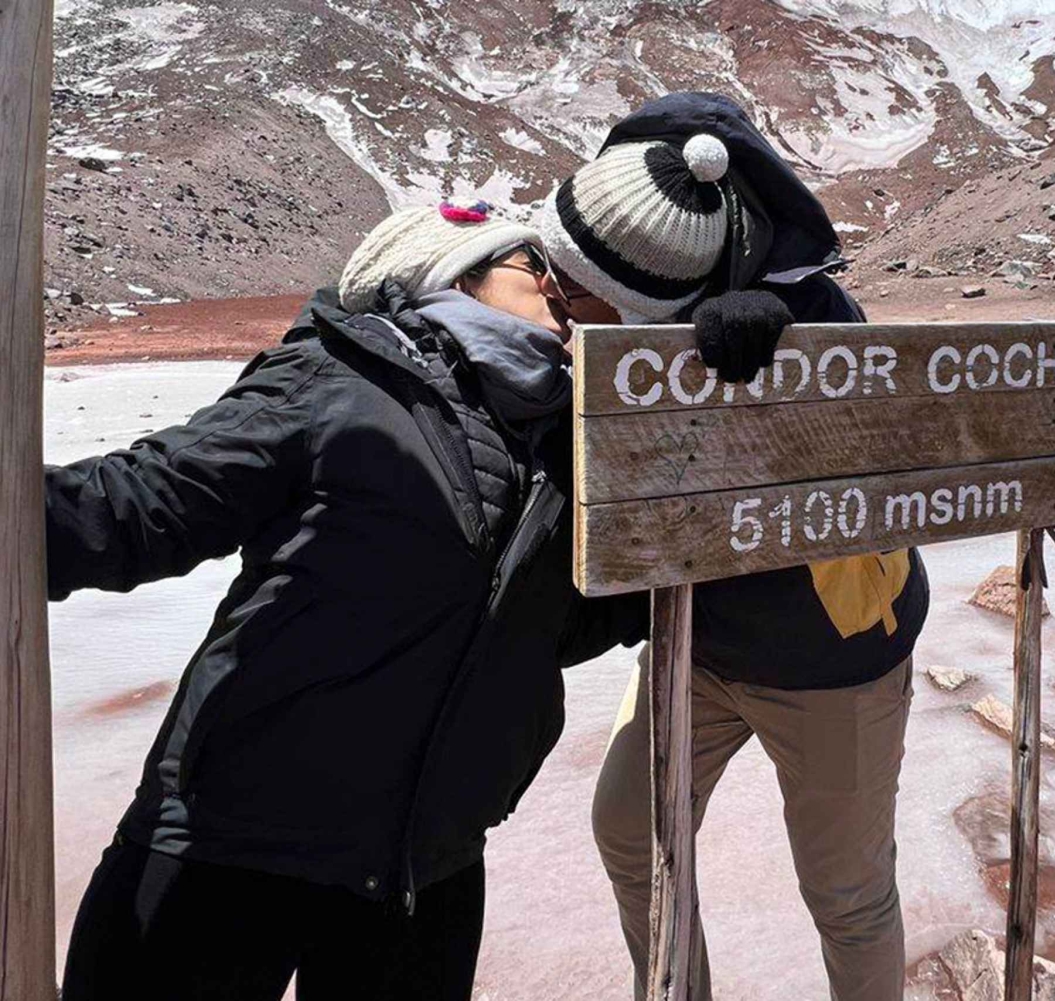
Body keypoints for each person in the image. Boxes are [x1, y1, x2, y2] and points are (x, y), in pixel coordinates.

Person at [50, 201, 647, 1000]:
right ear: (450, 273)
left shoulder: (556, 437)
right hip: (232, 846)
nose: (552, 281)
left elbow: (549, 627)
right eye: (526, 261)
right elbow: (145, 503)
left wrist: (669, 570)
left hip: (421, 871)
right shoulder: (337, 382)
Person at [536, 93, 930, 1001]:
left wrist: (789, 353)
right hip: (697, 645)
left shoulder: (809, 303)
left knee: (848, 892)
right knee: (631, 834)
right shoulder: (633, 304)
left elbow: (872, 439)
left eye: (584, 294)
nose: (566, 308)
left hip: (835, 661)